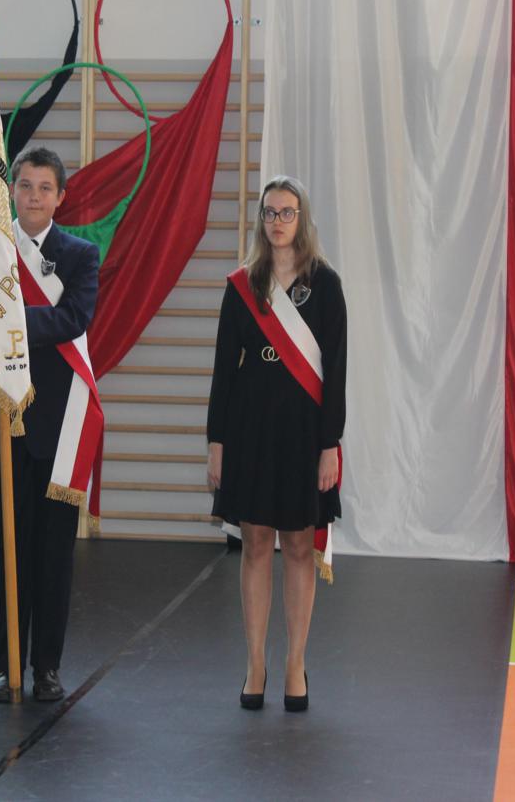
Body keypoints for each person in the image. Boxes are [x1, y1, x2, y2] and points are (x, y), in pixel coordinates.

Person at [206, 175, 346, 712]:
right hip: (251, 430)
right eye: (269, 212)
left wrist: (330, 445)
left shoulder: (326, 285)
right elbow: (223, 370)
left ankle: (294, 664)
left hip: (304, 434)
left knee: (299, 547)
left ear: (301, 218)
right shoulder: (243, 284)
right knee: (257, 543)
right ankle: (256, 664)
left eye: (287, 212)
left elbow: (336, 372)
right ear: (260, 219)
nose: (277, 222)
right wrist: (217, 441)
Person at [0, 147, 100, 704]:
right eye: (25, 185)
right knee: (6, 545)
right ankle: (7, 664)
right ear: (12, 190)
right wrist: (12, 322)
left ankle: (47, 666)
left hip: (60, 422)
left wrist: (8, 319)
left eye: (44, 187)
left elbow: (74, 318)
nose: (33, 196)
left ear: (61, 197)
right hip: (2, 416)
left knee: (53, 551)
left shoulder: (80, 255)